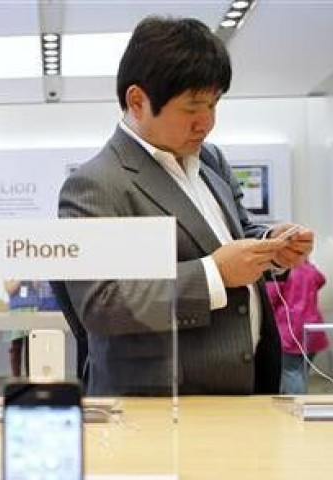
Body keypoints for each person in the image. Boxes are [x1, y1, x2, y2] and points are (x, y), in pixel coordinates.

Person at [58, 16, 313, 395]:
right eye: (193, 107)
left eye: (214, 104)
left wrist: (272, 247)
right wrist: (214, 275)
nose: (207, 122)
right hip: (162, 406)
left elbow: (237, 232)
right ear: (137, 101)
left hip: (248, 389)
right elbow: (101, 304)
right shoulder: (94, 185)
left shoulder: (210, 161)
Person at [266, 260, 329, 394]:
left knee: (291, 372)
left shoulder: (281, 271)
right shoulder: (308, 269)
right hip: (312, 330)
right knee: (300, 373)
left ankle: (297, 408)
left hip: (290, 331)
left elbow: (269, 299)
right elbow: (321, 279)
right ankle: (298, 401)